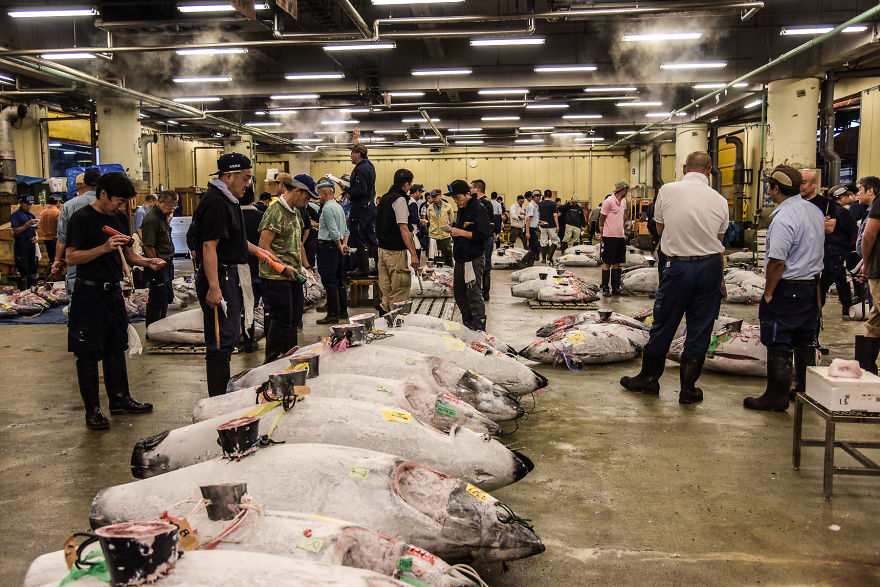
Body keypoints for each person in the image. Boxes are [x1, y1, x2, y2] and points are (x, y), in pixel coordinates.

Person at [620, 152, 729, 405]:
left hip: (678, 266)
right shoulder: (720, 199)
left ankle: (649, 379)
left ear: (683, 168)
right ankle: (688, 389)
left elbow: (659, 229)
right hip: (710, 267)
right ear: (709, 170)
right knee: (700, 327)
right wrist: (720, 277)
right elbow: (719, 241)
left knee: (665, 322)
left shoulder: (668, 190)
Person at [65, 172, 166, 429]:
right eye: (118, 202)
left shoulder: (119, 218)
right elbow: (71, 257)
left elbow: (129, 255)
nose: (121, 208)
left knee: (116, 347)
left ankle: (120, 399)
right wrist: (103, 248)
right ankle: (93, 411)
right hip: (88, 293)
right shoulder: (81, 218)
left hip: (113, 293)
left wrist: (147, 262)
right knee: (87, 353)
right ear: (103, 194)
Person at [190, 153, 279, 396]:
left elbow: (236, 242)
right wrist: (214, 287)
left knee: (228, 337)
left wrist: (262, 253)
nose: (248, 184)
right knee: (219, 342)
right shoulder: (216, 202)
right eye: (246, 178)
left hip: (228, 275)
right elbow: (209, 246)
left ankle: (222, 396)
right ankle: (217, 401)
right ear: (228, 176)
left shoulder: (228, 200)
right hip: (219, 276)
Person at [742, 165, 824, 411]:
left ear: (775, 189)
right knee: (805, 340)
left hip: (788, 288)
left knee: (779, 339)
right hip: (811, 286)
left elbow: (777, 261)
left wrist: (769, 292)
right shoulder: (814, 211)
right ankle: (806, 391)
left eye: (769, 186)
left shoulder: (784, 218)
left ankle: (776, 396)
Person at [259, 172, 315, 361]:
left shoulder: (296, 212)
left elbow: (298, 243)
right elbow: (263, 246)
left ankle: (290, 360)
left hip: (293, 275)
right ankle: (271, 361)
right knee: (282, 318)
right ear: (297, 191)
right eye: (306, 197)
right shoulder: (275, 211)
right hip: (276, 276)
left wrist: (306, 266)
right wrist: (282, 267)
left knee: (294, 318)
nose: (307, 202)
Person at [447, 180, 491, 331]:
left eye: (458, 197)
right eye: (454, 198)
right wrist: (453, 229)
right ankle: (468, 323)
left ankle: (478, 327)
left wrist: (461, 232)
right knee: (459, 293)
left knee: (473, 293)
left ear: (468, 194)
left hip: (472, 258)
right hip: (460, 256)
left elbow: (484, 235)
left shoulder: (478, 209)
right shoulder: (462, 208)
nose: (456, 201)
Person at [376, 168, 419, 314]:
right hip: (395, 252)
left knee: (386, 289)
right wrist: (413, 253)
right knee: (400, 288)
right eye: (410, 184)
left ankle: (385, 318)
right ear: (406, 184)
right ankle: (397, 320)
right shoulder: (399, 199)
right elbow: (403, 228)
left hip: (382, 250)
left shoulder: (384, 198)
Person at [53, 168, 101, 293]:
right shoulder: (107, 205)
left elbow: (62, 238)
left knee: (76, 297)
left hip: (76, 262)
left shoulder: (69, 205)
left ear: (84, 183)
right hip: (102, 263)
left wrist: (57, 260)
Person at [140, 190, 178, 328]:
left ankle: (160, 328)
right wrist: (157, 266)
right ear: (159, 202)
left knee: (165, 298)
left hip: (165, 264)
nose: (172, 209)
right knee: (157, 300)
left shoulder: (162, 216)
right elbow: (148, 247)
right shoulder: (152, 219)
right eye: (170, 206)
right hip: (158, 266)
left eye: (175, 206)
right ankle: (153, 330)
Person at [315, 177, 350, 324]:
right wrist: (343, 245)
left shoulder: (328, 208)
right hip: (338, 247)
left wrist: (339, 245)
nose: (318, 198)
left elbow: (334, 231)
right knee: (340, 280)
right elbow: (346, 231)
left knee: (330, 281)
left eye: (318, 194)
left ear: (324, 193)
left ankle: (332, 314)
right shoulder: (338, 207)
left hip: (328, 247)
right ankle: (343, 311)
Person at [346, 143, 378, 277]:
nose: (350, 156)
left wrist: (347, 190)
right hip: (369, 207)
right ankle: (379, 266)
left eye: (352, 153)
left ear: (358, 154)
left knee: (358, 236)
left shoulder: (361, 169)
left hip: (361, 209)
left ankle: (363, 268)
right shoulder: (369, 165)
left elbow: (360, 190)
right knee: (371, 237)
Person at [239, 187, 264, 352]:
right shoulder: (263, 216)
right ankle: (271, 345)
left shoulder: (234, 217)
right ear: (254, 198)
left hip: (241, 268)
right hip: (262, 266)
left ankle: (248, 341)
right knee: (267, 304)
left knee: (246, 305)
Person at [599, 180, 629, 295]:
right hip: (609, 236)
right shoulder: (608, 201)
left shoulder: (623, 202)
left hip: (620, 236)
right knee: (607, 262)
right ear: (624, 189)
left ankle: (616, 288)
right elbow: (602, 218)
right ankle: (605, 287)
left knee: (617, 263)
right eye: (627, 190)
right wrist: (601, 232)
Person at [471, 180, 495, 301]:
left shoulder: (482, 203)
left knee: (483, 264)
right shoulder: (486, 202)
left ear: (478, 189)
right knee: (485, 263)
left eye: (472, 188)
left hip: (484, 238)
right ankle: (484, 293)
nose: (470, 190)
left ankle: (483, 292)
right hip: (487, 237)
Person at [11, 194, 39, 290]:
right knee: (22, 268)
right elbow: (16, 230)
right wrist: (27, 224)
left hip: (31, 244)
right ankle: (22, 292)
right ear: (20, 203)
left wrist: (37, 236)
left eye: (30, 204)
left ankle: (32, 291)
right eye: (27, 204)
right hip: (21, 244)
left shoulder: (31, 215)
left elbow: (35, 230)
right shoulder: (16, 215)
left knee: (33, 268)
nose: (29, 206)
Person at [425, 189, 455, 266]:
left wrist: (449, 223)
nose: (434, 198)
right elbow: (429, 218)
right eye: (432, 197)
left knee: (448, 255)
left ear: (440, 196)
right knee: (433, 257)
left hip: (445, 235)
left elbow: (452, 219)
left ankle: (450, 269)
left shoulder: (448, 206)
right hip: (433, 235)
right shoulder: (430, 207)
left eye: (435, 196)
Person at [537, 190, 560, 264]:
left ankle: (543, 259)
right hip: (551, 225)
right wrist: (557, 225)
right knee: (555, 240)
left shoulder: (539, 204)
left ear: (544, 195)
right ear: (551, 196)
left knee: (543, 241)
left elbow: (537, 214)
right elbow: (555, 215)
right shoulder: (553, 204)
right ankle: (550, 256)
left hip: (542, 225)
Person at [39, 195, 62, 269]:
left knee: (52, 260)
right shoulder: (58, 212)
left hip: (47, 240)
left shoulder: (43, 212)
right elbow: (61, 228)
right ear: (58, 202)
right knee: (59, 262)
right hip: (56, 240)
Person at [409, 184, 428, 261]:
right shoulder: (412, 202)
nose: (421, 195)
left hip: (408, 231)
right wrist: (420, 221)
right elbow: (413, 218)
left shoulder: (408, 200)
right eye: (421, 193)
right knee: (416, 252)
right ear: (417, 192)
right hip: (412, 231)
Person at [523, 190, 541, 266]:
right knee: (534, 248)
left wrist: (540, 222)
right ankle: (523, 262)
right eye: (538, 196)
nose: (539, 198)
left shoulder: (536, 205)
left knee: (535, 248)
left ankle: (529, 264)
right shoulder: (531, 206)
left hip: (534, 229)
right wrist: (527, 232)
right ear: (534, 197)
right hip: (530, 229)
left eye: (540, 196)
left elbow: (534, 218)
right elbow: (528, 219)